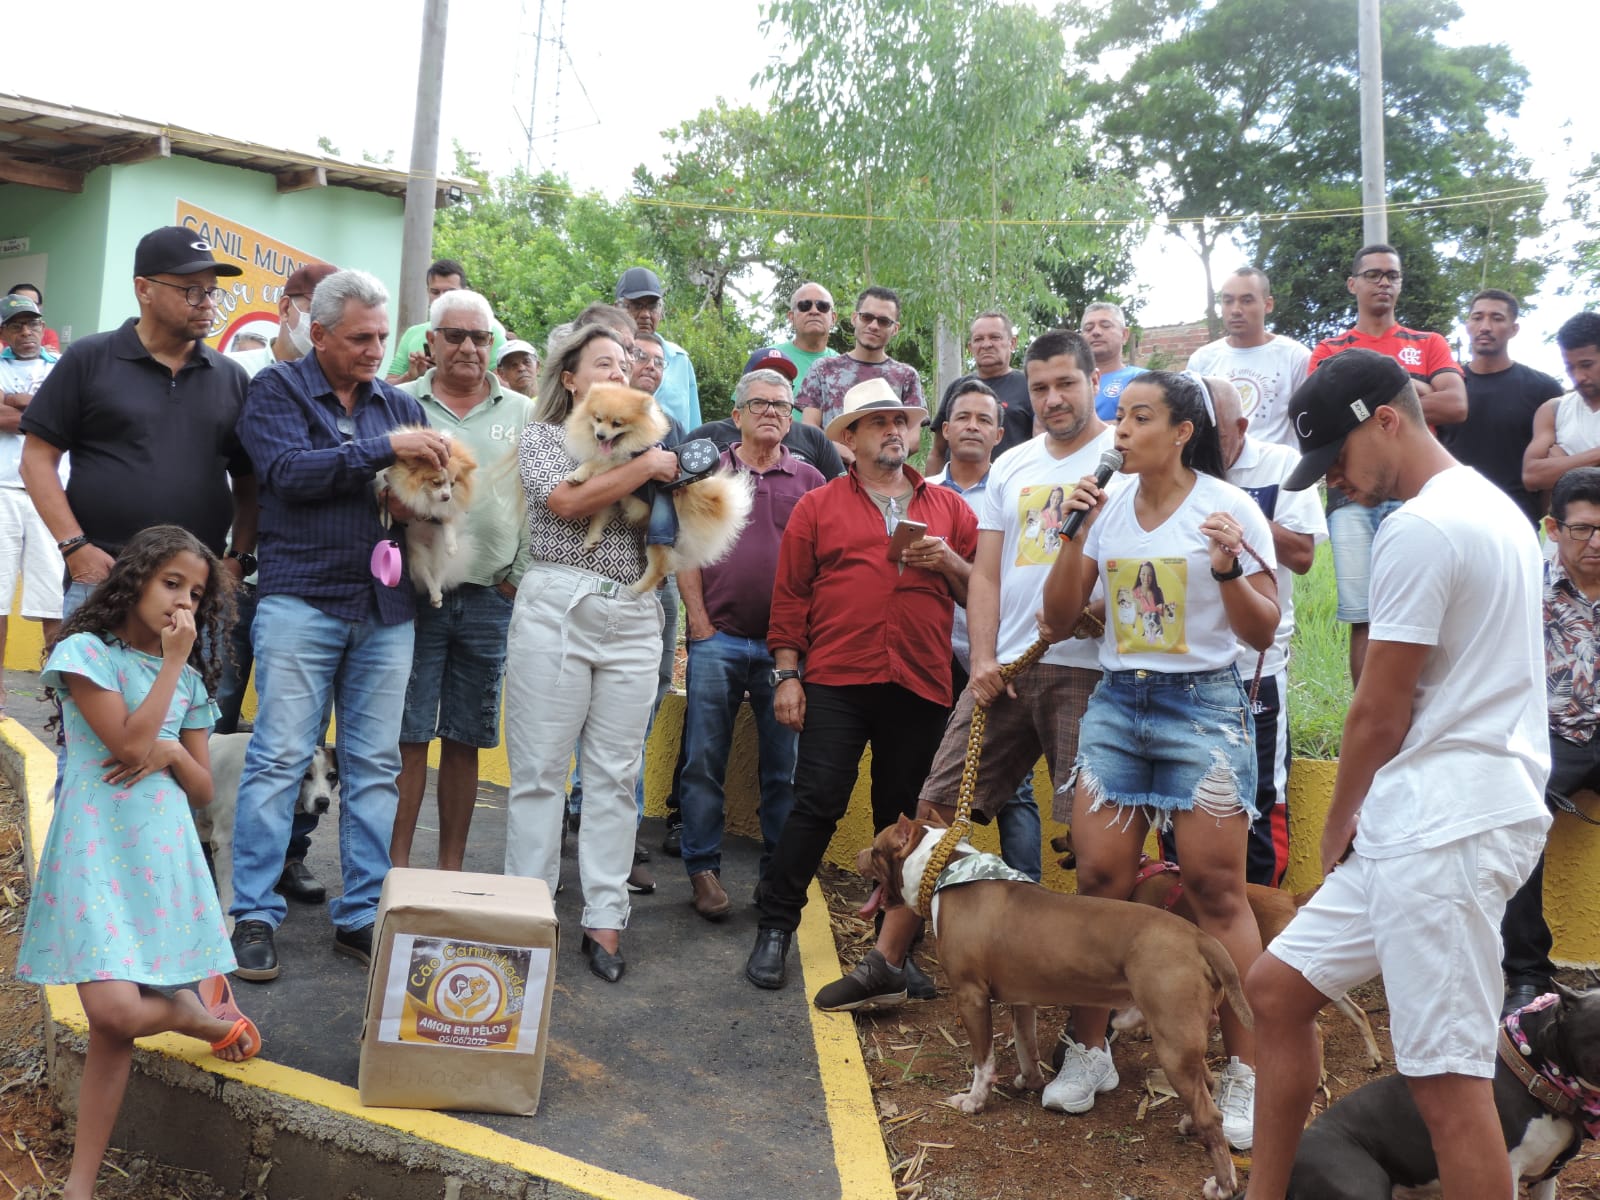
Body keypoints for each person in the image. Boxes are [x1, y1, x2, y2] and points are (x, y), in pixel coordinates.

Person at [1242, 349, 1549, 1200]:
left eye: (1337, 457)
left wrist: (1337, 823)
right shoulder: (1492, 506)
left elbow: (1380, 707)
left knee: (1447, 1084)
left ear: (1388, 417)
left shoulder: (1419, 527)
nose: (1335, 481)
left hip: (1441, 822)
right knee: (1275, 988)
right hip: (1428, 813)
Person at [1040, 370, 1278, 1150]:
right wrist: (1073, 531)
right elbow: (1058, 617)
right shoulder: (1102, 513)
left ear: (1182, 431)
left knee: (1216, 890)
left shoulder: (1229, 508)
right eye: (1119, 419)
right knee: (1102, 882)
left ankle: (1245, 1071)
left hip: (1203, 708)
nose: (1121, 432)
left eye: (1140, 418)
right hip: (1118, 705)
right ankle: (1090, 1049)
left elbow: (1262, 630)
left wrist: (1226, 568)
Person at [15, 525, 261, 1200]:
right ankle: (188, 1013)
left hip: (162, 854)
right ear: (137, 579)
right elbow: (127, 745)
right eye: (170, 583)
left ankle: (79, 1188)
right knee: (116, 1014)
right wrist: (173, 669)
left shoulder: (191, 681)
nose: (181, 601)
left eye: (196, 592)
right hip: (96, 849)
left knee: (112, 1032)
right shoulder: (84, 652)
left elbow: (203, 790)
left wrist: (181, 754)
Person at [229, 269, 445, 982]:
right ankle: (253, 914)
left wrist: (420, 498)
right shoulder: (275, 390)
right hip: (301, 600)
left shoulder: (396, 403)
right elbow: (287, 474)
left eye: (382, 336)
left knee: (376, 767)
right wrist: (386, 453)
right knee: (279, 757)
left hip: (385, 608)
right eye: (360, 337)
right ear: (317, 334)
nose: (375, 349)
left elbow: (407, 498)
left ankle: (359, 916)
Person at [744, 377, 977, 996]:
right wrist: (788, 675)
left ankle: (896, 953)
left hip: (921, 681)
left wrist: (950, 562)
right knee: (816, 801)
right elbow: (789, 597)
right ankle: (775, 925)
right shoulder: (818, 507)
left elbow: (984, 595)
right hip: (838, 677)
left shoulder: (950, 508)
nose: (894, 431)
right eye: (879, 422)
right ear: (850, 438)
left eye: (901, 421)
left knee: (904, 822)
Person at [502, 323, 681, 984]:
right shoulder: (546, 436)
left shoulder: (658, 441)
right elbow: (567, 499)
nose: (617, 369)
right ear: (571, 378)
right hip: (558, 602)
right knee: (542, 771)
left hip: (636, 608)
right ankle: (526, 915)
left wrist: (668, 466)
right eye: (601, 362)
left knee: (614, 773)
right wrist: (649, 467)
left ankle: (605, 918)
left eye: (625, 362)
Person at [19, 226, 257, 621]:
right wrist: (74, 547)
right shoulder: (89, 359)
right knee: (96, 686)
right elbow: (36, 460)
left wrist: (238, 559)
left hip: (195, 591)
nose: (207, 303)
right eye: (191, 290)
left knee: (190, 686)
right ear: (144, 289)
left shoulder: (231, 378)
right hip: (103, 578)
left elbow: (250, 482)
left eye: (212, 291)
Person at [390, 289, 532, 871]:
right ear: (431, 342)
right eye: (456, 336)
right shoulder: (397, 403)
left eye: (480, 337)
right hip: (412, 596)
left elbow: (540, 501)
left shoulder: (523, 411)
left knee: (466, 737)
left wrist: (516, 579)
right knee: (408, 735)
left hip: (491, 596)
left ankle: (449, 869)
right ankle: (391, 873)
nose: (469, 347)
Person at [676, 368, 827, 917]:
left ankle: (775, 876)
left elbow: (821, 566)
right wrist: (698, 623)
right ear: (735, 415)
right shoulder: (709, 471)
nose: (771, 412)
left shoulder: (811, 481)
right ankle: (703, 871)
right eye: (759, 404)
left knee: (784, 768)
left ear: (792, 419)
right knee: (702, 760)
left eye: (782, 406)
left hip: (784, 650)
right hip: (717, 639)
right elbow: (686, 548)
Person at [218, 261, 341, 908]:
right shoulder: (248, 368)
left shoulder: (344, 387)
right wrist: (234, 556)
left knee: (297, 735)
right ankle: (204, 852)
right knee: (219, 714)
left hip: (300, 581)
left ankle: (289, 855)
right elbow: (261, 473)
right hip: (234, 573)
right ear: (290, 306)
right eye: (310, 304)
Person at [1307, 243, 1466, 685]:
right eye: (1374, 274)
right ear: (1352, 284)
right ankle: (1366, 713)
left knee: (1428, 612)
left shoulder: (1428, 342)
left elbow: (1455, 405)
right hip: (1351, 492)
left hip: (1419, 492)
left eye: (1392, 275)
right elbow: (1328, 415)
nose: (1384, 282)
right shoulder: (1329, 348)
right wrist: (1413, 386)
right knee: (1364, 614)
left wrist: (1382, 390)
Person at [1209, 375, 1327, 887]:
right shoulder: (1175, 471)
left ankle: (1263, 928)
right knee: (1185, 801)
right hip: (1187, 662)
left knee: (1259, 798)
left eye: (1211, 434)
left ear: (1241, 426)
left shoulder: (1279, 465)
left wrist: (1237, 508)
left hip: (1256, 665)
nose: (1196, 445)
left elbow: (1301, 555)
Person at [924, 381, 1043, 883]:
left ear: (999, 433)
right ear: (946, 429)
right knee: (941, 783)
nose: (972, 425)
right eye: (962, 417)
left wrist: (952, 561)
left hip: (997, 656)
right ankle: (947, 895)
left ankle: (1027, 895)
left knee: (1014, 789)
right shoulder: (920, 492)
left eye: (983, 418)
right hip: (933, 655)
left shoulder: (1018, 494)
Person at [1499, 466, 1600, 1015]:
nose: (1596, 543)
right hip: (1548, 736)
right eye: (1582, 529)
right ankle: (1527, 976)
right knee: (1516, 820)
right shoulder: (1523, 587)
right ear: (1553, 528)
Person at [1434, 290, 1563, 528]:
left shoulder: (1542, 388)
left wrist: (1537, 512)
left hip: (1517, 522)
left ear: (1514, 329)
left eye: (1497, 318)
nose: (1485, 326)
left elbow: (1555, 460)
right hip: (1451, 518)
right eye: (1477, 317)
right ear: (1467, 325)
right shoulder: (1447, 389)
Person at [0, 293, 65, 709]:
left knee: (53, 599)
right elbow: (48, 417)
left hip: (50, 492)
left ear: (43, 327)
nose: (27, 332)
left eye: (33, 324)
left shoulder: (62, 367)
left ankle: (61, 690)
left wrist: (13, 401)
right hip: (1, 489)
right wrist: (38, 412)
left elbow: (67, 416)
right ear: (4, 333)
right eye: (17, 325)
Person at [1184, 268, 1311, 450]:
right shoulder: (1202, 359)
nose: (1236, 310)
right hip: (1217, 474)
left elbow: (1308, 424)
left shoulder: (1295, 357)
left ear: (1268, 304)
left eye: (1246, 300)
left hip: (1276, 475)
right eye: (1228, 301)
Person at [799, 286, 926, 461]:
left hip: (887, 474)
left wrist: (875, 461)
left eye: (883, 321)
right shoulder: (823, 369)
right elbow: (809, 426)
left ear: (895, 329)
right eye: (867, 317)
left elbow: (913, 437)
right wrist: (848, 455)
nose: (873, 326)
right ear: (854, 318)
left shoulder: (906, 375)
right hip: (831, 473)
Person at [690, 350, 845, 480]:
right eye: (763, 376)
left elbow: (839, 491)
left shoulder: (812, 439)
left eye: (783, 380)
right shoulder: (709, 434)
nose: (770, 411)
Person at [925, 311, 1036, 473]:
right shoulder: (957, 388)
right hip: (955, 492)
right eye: (978, 339)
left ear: (1012, 343)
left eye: (995, 337)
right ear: (970, 347)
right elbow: (937, 452)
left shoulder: (1030, 386)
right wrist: (930, 493)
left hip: (1010, 486)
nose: (986, 344)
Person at [383, 258, 506, 385]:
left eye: (449, 292)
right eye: (435, 292)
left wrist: (453, 366)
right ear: (431, 340)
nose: (441, 298)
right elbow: (387, 388)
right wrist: (411, 376)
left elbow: (510, 388)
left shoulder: (488, 332)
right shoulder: (412, 334)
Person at [1522, 313, 1600, 505]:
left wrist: (1564, 464)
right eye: (1569, 367)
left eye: (1586, 365)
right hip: (1567, 533)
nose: (1578, 376)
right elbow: (1532, 476)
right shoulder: (1553, 410)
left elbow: (1545, 475)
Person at [615, 267, 700, 430]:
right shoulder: (602, 354)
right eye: (636, 306)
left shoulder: (679, 359)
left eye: (653, 307)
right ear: (617, 308)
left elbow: (693, 425)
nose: (645, 314)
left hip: (673, 453)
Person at [227, 262, 339, 382]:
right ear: (285, 309)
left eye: (335, 319)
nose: (324, 326)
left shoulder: (335, 390)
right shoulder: (235, 369)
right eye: (316, 312)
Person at [769, 281, 839, 395]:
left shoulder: (842, 365)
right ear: (791, 317)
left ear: (833, 318)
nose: (814, 311)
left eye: (823, 306)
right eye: (804, 306)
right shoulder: (769, 358)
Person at [1081, 302, 1144, 421]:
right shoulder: (1068, 381)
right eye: (1088, 328)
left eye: (1105, 326)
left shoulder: (1143, 379)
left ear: (1124, 335)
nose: (1096, 332)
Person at [6, 284, 60, 352]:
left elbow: (53, 356)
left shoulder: (49, 334)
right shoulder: (3, 333)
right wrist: (42, 351)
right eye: (22, 302)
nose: (28, 307)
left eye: (33, 303)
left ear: (40, 308)